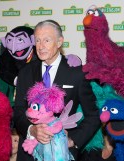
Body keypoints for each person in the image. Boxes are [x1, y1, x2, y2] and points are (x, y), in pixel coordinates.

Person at [13, 19, 101, 161]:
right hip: (30, 153)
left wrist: (73, 140)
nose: (41, 46)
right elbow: (18, 111)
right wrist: (32, 130)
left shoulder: (77, 73)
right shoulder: (25, 72)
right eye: (37, 41)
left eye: (47, 40)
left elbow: (94, 115)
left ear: (59, 42)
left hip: (63, 153)